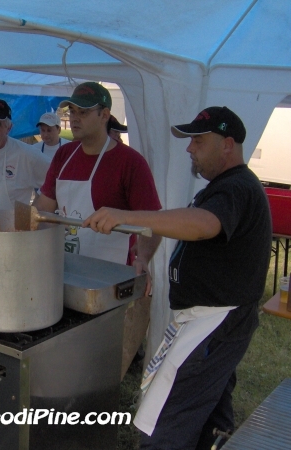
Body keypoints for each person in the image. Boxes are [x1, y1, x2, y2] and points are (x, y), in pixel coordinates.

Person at [85, 106, 272, 449]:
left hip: (215, 321)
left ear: (227, 144)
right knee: (209, 413)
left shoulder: (236, 188)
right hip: (208, 318)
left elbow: (203, 226)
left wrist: (126, 215)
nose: (190, 148)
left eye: (198, 140)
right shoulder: (224, 187)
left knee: (165, 425)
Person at [34, 82, 162, 291]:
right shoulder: (64, 156)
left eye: (83, 112)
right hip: (66, 269)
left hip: (113, 278)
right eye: (72, 111)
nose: (74, 118)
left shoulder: (130, 162)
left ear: (104, 115)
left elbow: (154, 220)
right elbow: (44, 207)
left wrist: (144, 258)